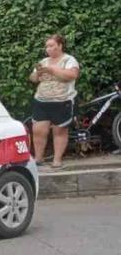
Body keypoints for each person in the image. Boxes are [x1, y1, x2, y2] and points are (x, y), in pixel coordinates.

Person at [29, 34, 80, 170]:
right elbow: (33, 79)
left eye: (51, 45)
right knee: (38, 130)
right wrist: (38, 73)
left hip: (62, 101)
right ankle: (38, 158)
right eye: (47, 46)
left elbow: (72, 75)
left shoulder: (69, 60)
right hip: (41, 100)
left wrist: (52, 70)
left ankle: (57, 160)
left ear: (60, 46)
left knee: (59, 131)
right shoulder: (44, 61)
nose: (48, 49)